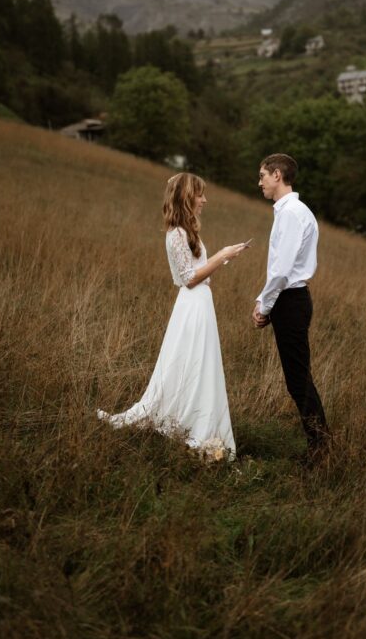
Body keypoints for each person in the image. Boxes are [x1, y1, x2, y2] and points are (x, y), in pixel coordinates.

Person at [98, 173, 249, 460]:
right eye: (200, 195)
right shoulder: (176, 234)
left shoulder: (188, 231)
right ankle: (187, 422)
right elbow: (189, 278)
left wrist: (227, 257)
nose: (204, 200)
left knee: (200, 363)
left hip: (201, 304)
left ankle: (191, 417)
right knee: (188, 362)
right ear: (186, 198)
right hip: (191, 305)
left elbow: (199, 272)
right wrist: (221, 255)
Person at [252, 153, 331, 464]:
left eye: (262, 175)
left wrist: (264, 304)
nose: (259, 182)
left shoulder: (291, 213)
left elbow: (282, 269)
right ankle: (319, 444)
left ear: (277, 175)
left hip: (291, 300)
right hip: (290, 299)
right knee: (297, 378)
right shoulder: (292, 211)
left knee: (298, 379)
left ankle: (320, 447)